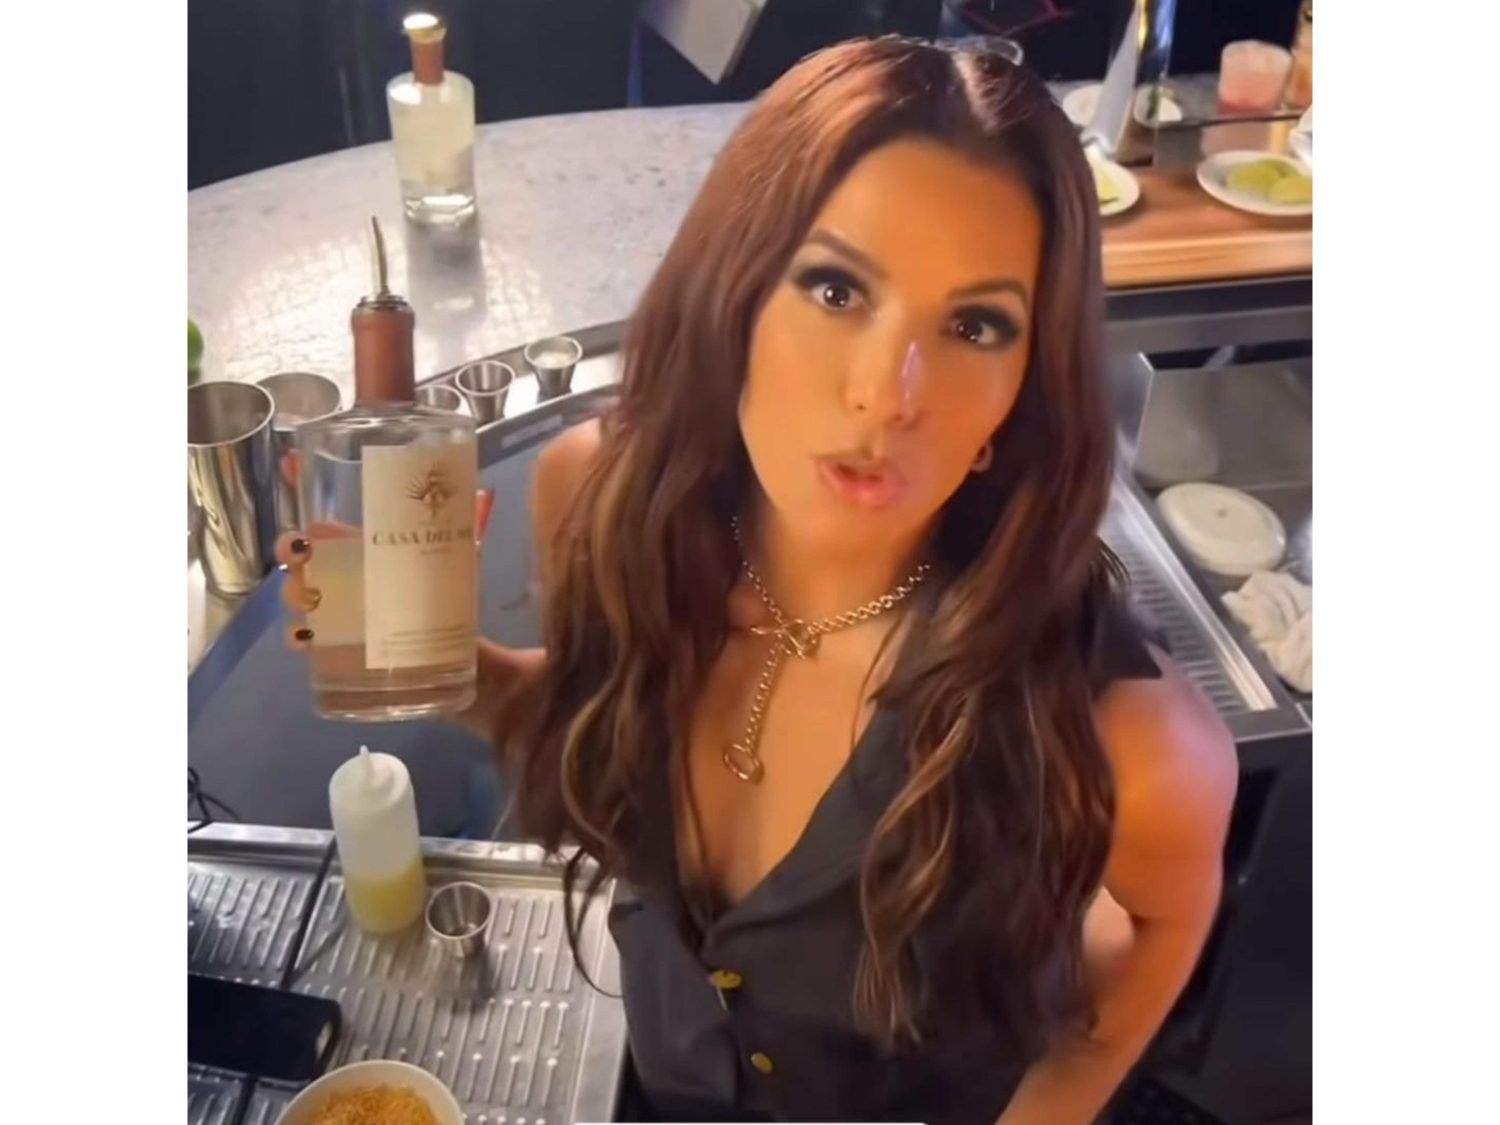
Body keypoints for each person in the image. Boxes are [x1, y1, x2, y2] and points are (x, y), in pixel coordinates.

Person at [281, 37, 1235, 1124]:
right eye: (836, 286)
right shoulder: (601, 503)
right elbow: (591, 731)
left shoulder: (1127, 743)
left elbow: (1164, 922)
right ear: (733, 296)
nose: (887, 392)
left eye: (975, 325)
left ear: (1021, 394)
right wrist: (451, 670)